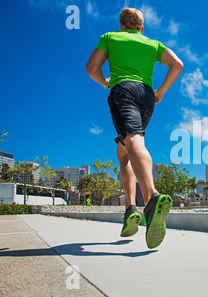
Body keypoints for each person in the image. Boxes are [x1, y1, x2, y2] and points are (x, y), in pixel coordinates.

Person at [86, 8, 183, 249]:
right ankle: (131, 207)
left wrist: (106, 82)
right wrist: (160, 91)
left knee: (133, 141)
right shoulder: (153, 44)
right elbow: (177, 64)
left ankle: (151, 197)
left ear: (122, 25)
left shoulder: (110, 37)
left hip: (124, 91)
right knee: (124, 149)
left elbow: (91, 68)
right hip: (147, 95)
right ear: (141, 27)